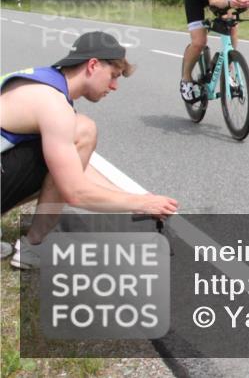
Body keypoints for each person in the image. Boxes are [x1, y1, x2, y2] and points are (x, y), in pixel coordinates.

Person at [1, 31, 179, 269]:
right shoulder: (54, 105)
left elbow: (75, 169)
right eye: (113, 76)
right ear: (93, 65)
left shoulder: (40, 81)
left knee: (65, 154)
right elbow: (75, 191)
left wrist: (139, 198)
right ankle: (34, 245)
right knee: (84, 129)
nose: (114, 86)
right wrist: (138, 204)